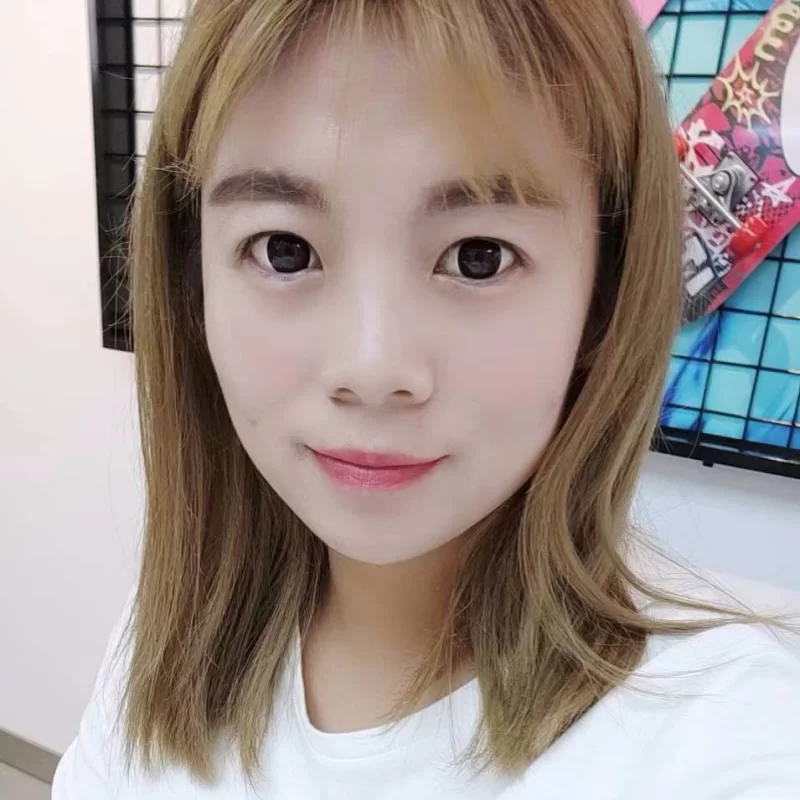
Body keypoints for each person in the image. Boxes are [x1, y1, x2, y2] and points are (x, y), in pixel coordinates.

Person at [53, 0, 800, 797]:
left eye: (479, 257)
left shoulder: (730, 737)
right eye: (285, 250)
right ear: (193, 279)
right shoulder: (171, 636)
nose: (373, 368)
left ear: (604, 293)